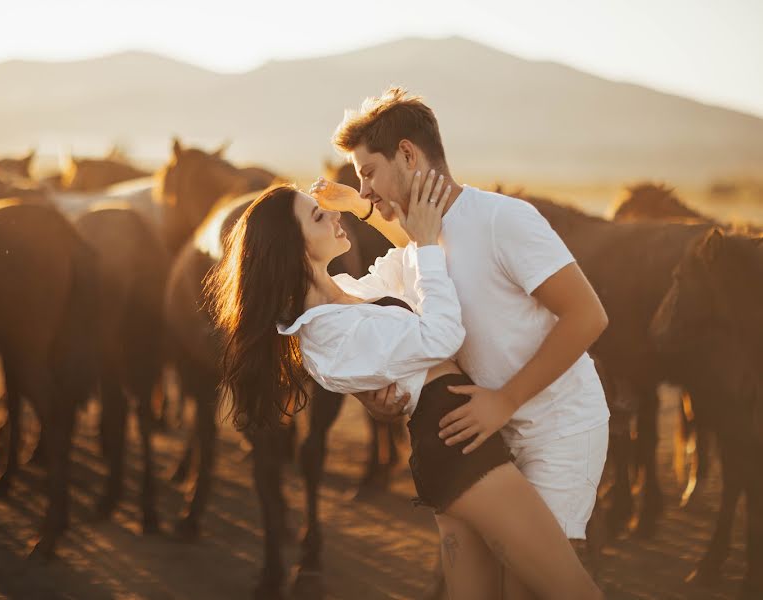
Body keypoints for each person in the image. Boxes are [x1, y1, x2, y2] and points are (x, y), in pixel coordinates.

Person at [205, 174, 603, 598]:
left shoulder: (347, 297)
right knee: (574, 591)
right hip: (457, 446)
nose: (334, 216)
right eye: (320, 216)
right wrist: (429, 241)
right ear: (294, 249)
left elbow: (408, 259)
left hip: (453, 442)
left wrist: (363, 208)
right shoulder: (327, 332)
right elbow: (442, 336)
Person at [310, 86, 611, 599]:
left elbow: (588, 316)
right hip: (485, 432)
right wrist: (379, 396)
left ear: (407, 153)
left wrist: (505, 401)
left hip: (558, 426)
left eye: (367, 172)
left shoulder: (503, 220)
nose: (364, 189)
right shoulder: (417, 246)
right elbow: (380, 306)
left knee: (531, 589)